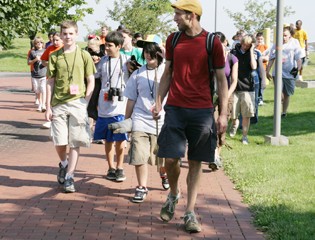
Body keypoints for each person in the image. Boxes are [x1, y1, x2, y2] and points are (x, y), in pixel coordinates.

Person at [152, 0, 228, 233]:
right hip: (175, 108)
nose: (174, 18)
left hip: (202, 111)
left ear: (191, 15)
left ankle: (190, 212)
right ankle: (174, 194)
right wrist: (158, 101)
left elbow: (221, 79)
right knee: (170, 159)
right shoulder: (173, 40)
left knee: (195, 161)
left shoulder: (211, 42)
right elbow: (168, 72)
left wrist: (223, 113)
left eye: (178, 14)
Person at [45, 20, 96, 193]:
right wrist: (48, 107)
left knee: (75, 141)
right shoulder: (54, 56)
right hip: (58, 102)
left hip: (78, 102)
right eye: (64, 33)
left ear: (76, 34)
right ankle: (64, 163)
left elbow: (90, 80)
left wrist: (85, 101)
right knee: (59, 140)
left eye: (71, 33)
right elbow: (50, 82)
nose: (67, 37)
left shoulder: (84, 55)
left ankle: (70, 176)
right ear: (60, 35)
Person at [119, 40, 169, 203]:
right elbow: (131, 99)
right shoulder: (137, 74)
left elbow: (175, 68)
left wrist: (166, 56)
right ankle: (141, 186)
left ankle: (164, 173)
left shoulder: (166, 71)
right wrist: (127, 121)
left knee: (161, 157)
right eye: (146, 53)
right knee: (139, 154)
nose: (148, 55)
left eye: (152, 53)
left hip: (161, 121)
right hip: (140, 119)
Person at [93, 31, 130, 182]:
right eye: (105, 45)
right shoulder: (103, 61)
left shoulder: (127, 61)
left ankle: (120, 167)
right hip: (104, 106)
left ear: (119, 46)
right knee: (108, 140)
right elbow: (93, 77)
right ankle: (110, 167)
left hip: (121, 107)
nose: (106, 48)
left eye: (110, 45)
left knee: (120, 140)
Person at [210, 32, 238, 171]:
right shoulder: (210, 58)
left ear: (225, 43)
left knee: (222, 127)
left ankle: (218, 151)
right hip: (212, 95)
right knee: (213, 124)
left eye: (219, 44)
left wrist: (226, 95)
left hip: (227, 95)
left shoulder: (232, 59)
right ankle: (214, 156)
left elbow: (234, 80)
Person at [266, 26, 302, 118]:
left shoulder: (295, 42)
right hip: (277, 73)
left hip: (290, 73)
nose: (283, 37)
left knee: (287, 94)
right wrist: (267, 71)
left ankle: (284, 112)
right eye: (282, 35)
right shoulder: (276, 43)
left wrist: (299, 66)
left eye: (285, 35)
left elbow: (298, 56)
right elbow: (271, 58)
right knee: (279, 94)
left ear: (290, 35)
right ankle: (277, 113)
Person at [229, 35, 257, 144]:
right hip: (235, 87)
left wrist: (251, 51)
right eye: (244, 44)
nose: (245, 47)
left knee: (246, 114)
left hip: (247, 88)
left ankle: (245, 136)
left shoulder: (253, 53)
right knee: (233, 113)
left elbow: (254, 66)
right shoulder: (234, 52)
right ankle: (234, 124)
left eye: (247, 45)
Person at [40, 32, 64, 129]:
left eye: (57, 40)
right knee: (51, 98)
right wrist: (50, 63)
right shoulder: (50, 49)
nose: (55, 42)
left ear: (62, 40)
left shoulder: (64, 49)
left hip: (62, 78)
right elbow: (43, 60)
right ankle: (51, 119)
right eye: (53, 40)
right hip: (51, 77)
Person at [85, 35, 105, 144]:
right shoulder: (85, 54)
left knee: (100, 108)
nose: (94, 56)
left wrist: (99, 59)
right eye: (90, 49)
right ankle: (89, 134)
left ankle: (98, 135)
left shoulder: (104, 55)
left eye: (94, 50)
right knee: (90, 108)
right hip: (89, 81)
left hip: (100, 82)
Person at [28, 37, 47, 113]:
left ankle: (43, 105)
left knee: (43, 89)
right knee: (37, 90)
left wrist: (42, 60)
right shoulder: (32, 52)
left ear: (43, 43)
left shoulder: (45, 51)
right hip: (35, 74)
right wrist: (35, 59)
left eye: (41, 42)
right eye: (37, 43)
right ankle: (39, 103)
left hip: (43, 74)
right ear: (35, 44)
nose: (39, 44)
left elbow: (48, 61)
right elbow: (29, 62)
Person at [255, 32, 269, 106]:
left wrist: (264, 58)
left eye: (261, 39)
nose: (259, 40)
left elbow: (268, 57)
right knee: (258, 83)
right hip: (257, 67)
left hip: (263, 67)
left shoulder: (265, 47)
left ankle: (260, 98)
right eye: (258, 39)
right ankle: (258, 98)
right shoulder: (255, 47)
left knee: (263, 83)